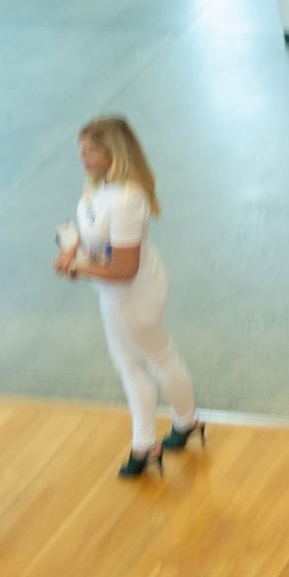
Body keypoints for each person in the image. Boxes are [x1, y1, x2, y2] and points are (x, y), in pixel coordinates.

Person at [55, 116, 200, 480]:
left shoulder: (126, 200)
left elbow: (124, 269)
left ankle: (164, 434)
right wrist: (72, 247)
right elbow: (89, 232)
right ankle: (168, 432)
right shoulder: (98, 188)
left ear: (112, 153)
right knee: (136, 363)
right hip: (113, 293)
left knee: (150, 360)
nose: (82, 157)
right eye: (81, 149)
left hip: (134, 295)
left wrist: (80, 268)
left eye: (90, 150)